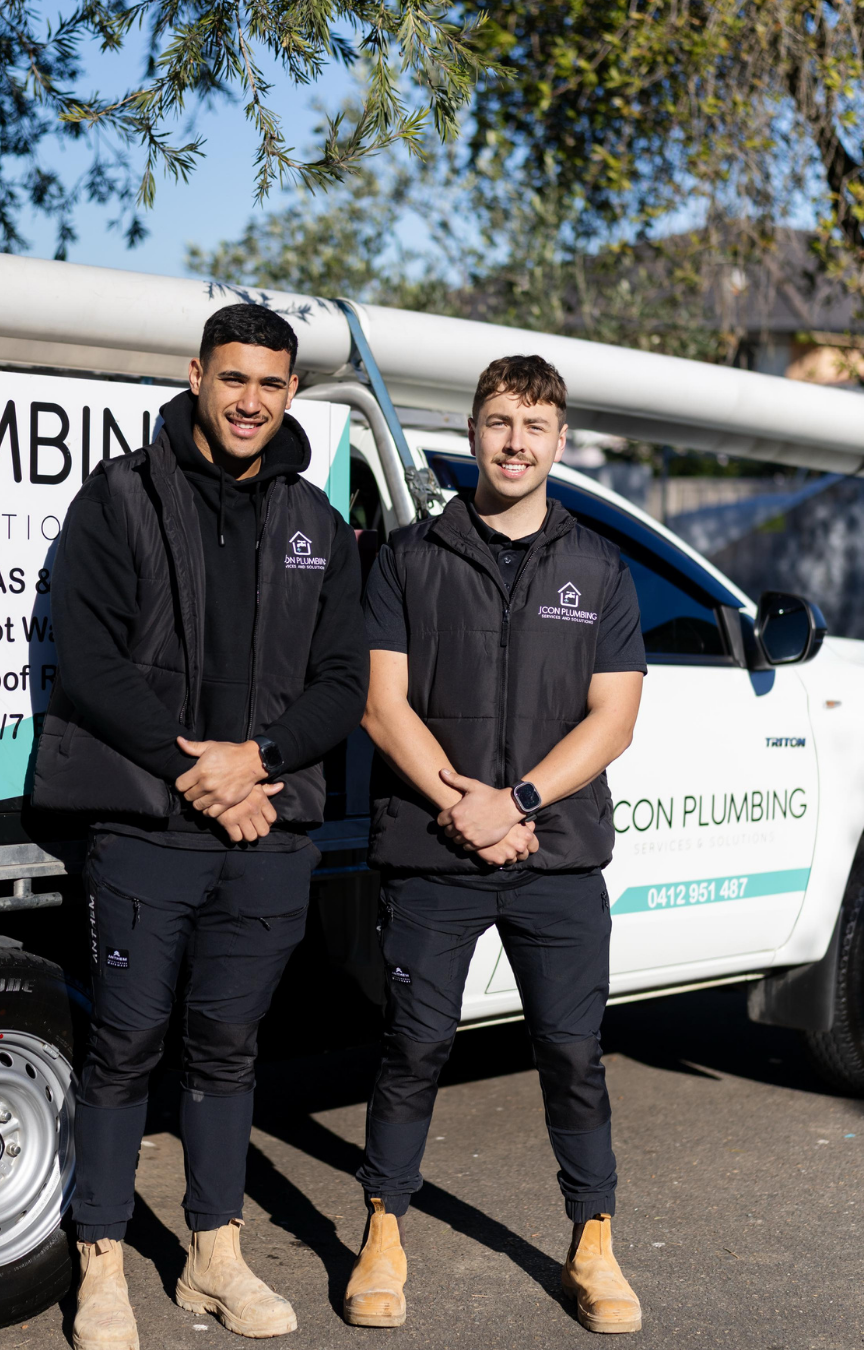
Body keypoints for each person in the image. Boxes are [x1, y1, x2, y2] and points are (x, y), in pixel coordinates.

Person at [33, 304, 368, 1348]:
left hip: (267, 830)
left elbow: (344, 682)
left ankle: (214, 1259)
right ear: (196, 375)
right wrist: (201, 771)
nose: (250, 401)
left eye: (270, 383)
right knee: (125, 1046)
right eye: (233, 378)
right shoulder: (120, 496)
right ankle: (100, 1263)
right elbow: (90, 662)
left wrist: (255, 763)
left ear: (292, 391)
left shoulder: (318, 522)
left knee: (228, 1048)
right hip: (144, 826)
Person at [344, 354, 646, 1335]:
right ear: (474, 432)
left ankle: (593, 1241)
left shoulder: (600, 568)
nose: (517, 443)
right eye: (501, 422)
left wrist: (514, 801)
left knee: (573, 1053)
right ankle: (384, 1231)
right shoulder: (408, 558)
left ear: (560, 442)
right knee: (413, 1046)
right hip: (434, 853)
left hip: (557, 856)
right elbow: (381, 706)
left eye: (536, 426)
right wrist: (462, 805)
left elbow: (614, 719)